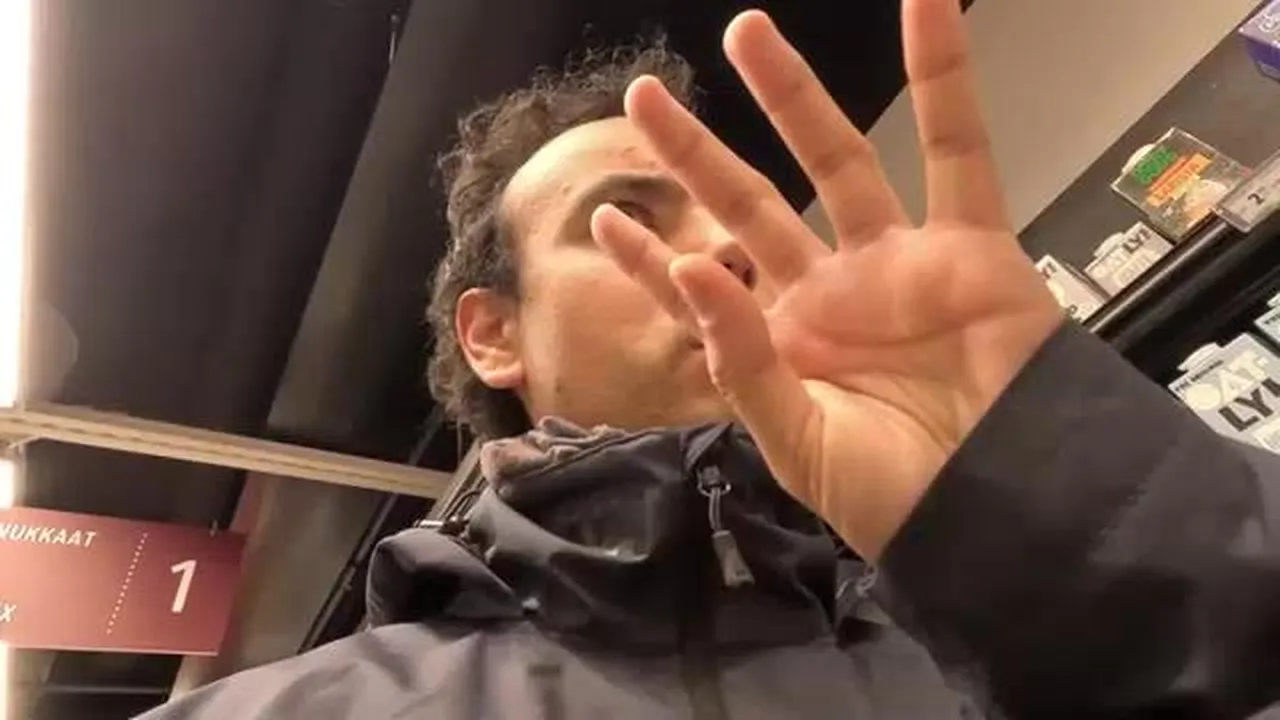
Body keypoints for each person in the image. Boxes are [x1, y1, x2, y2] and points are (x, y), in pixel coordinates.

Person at [140, 2, 1280, 718]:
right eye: (625, 220)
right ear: (494, 335)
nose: (727, 245)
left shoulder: (1006, 656)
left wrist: (1080, 507)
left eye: (729, 210)